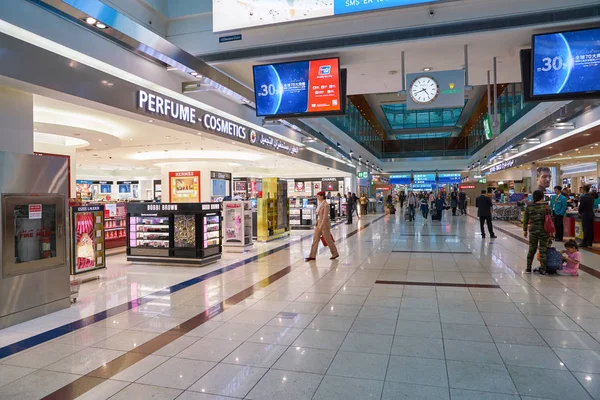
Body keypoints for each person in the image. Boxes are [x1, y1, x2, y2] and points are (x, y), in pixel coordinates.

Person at [306, 191, 339, 261]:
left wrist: (321, 226)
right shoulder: (320, 204)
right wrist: (317, 223)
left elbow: (325, 217)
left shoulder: (326, 205)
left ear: (322, 196)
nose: (317, 197)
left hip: (324, 225)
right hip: (318, 224)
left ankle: (335, 253)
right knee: (315, 240)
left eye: (318, 196)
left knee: (328, 240)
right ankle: (312, 256)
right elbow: (318, 215)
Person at [523, 190, 550, 275]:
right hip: (544, 231)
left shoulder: (529, 207)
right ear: (542, 197)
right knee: (543, 250)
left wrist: (525, 230)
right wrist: (552, 233)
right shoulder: (546, 207)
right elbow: (551, 220)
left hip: (533, 231)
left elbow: (525, 219)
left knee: (532, 249)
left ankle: (528, 267)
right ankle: (543, 268)